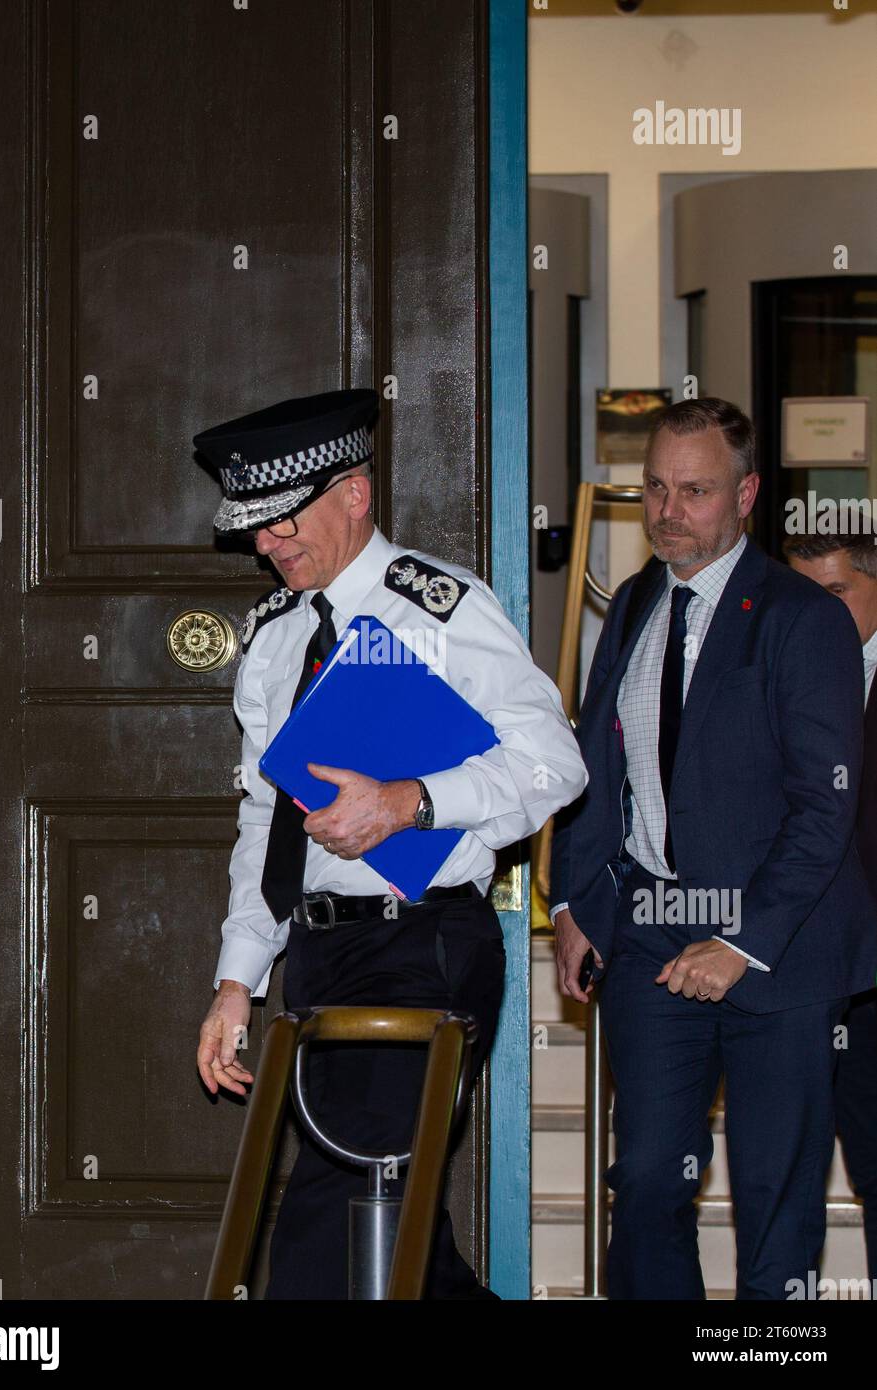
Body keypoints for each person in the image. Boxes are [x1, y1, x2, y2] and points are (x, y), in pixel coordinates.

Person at [193, 387, 587, 1298]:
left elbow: (553, 764)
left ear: (354, 494)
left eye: (282, 520)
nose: (266, 543)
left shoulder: (437, 609)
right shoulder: (274, 639)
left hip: (423, 942)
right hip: (322, 954)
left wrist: (410, 803)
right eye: (254, 528)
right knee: (399, 1225)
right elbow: (265, 821)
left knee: (327, 1227)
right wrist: (235, 982)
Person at [549, 396, 877, 1300]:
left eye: (693, 491)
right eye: (655, 488)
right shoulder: (633, 606)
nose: (667, 510)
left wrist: (739, 944)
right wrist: (574, 903)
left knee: (776, 1201)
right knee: (649, 1176)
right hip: (652, 934)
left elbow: (825, 809)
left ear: (744, 496)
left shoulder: (799, 618)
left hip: (779, 944)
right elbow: (592, 764)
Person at [785, 529, 877, 1281]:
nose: (816, 613)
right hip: (793, 960)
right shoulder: (775, 675)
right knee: (786, 1169)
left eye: (836, 592)